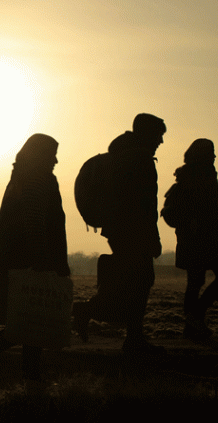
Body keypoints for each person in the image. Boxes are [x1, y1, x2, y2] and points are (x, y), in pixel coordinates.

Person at [0, 134, 70, 382]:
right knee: (28, 319)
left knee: (29, 319)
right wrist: (43, 261)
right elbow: (34, 221)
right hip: (27, 261)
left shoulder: (22, 177)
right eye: (51, 154)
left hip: (14, 259)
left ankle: (28, 372)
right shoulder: (38, 178)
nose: (55, 159)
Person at [73, 114, 167, 355]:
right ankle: (130, 336)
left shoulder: (124, 155)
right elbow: (144, 204)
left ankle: (91, 314)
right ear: (148, 134)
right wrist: (152, 238)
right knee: (140, 282)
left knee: (131, 283)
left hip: (119, 229)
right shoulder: (139, 159)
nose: (161, 141)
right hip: (133, 231)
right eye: (159, 135)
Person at [167, 138, 218, 340]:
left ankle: (191, 325)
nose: (214, 156)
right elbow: (203, 206)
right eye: (211, 152)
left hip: (190, 237)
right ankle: (195, 318)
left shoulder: (187, 175)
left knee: (195, 282)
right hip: (203, 237)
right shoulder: (204, 175)